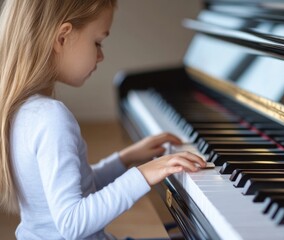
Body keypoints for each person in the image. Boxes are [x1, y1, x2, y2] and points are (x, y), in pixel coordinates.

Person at [0, 0, 206, 239]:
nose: (101, 56)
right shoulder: (51, 117)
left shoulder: (23, 112)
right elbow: (72, 223)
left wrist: (125, 158)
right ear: (62, 37)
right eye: (97, 42)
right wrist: (145, 173)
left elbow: (79, 186)